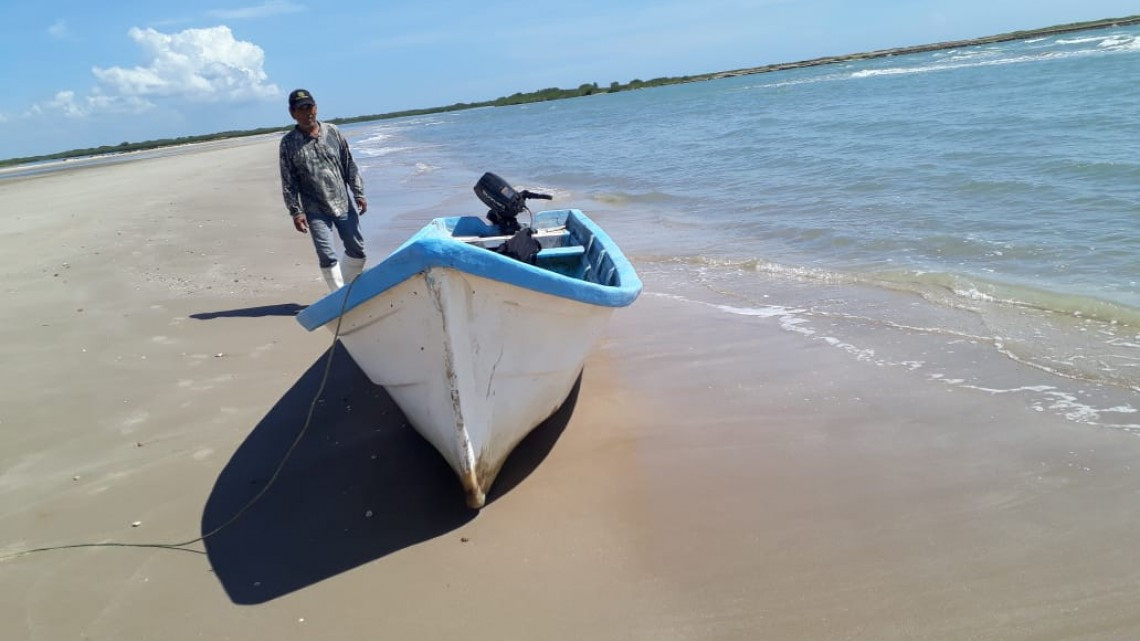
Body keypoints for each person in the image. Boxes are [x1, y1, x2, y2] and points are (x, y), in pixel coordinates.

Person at [279, 88, 368, 291]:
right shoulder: (288, 143)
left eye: (309, 107)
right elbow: (288, 180)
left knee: (358, 250)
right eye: (301, 109)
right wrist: (296, 211)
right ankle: (338, 297)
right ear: (293, 113)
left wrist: (358, 192)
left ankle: (347, 289)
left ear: (316, 108)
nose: (306, 112)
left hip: (342, 203)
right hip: (314, 208)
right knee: (327, 255)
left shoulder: (333, 132)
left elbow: (349, 164)